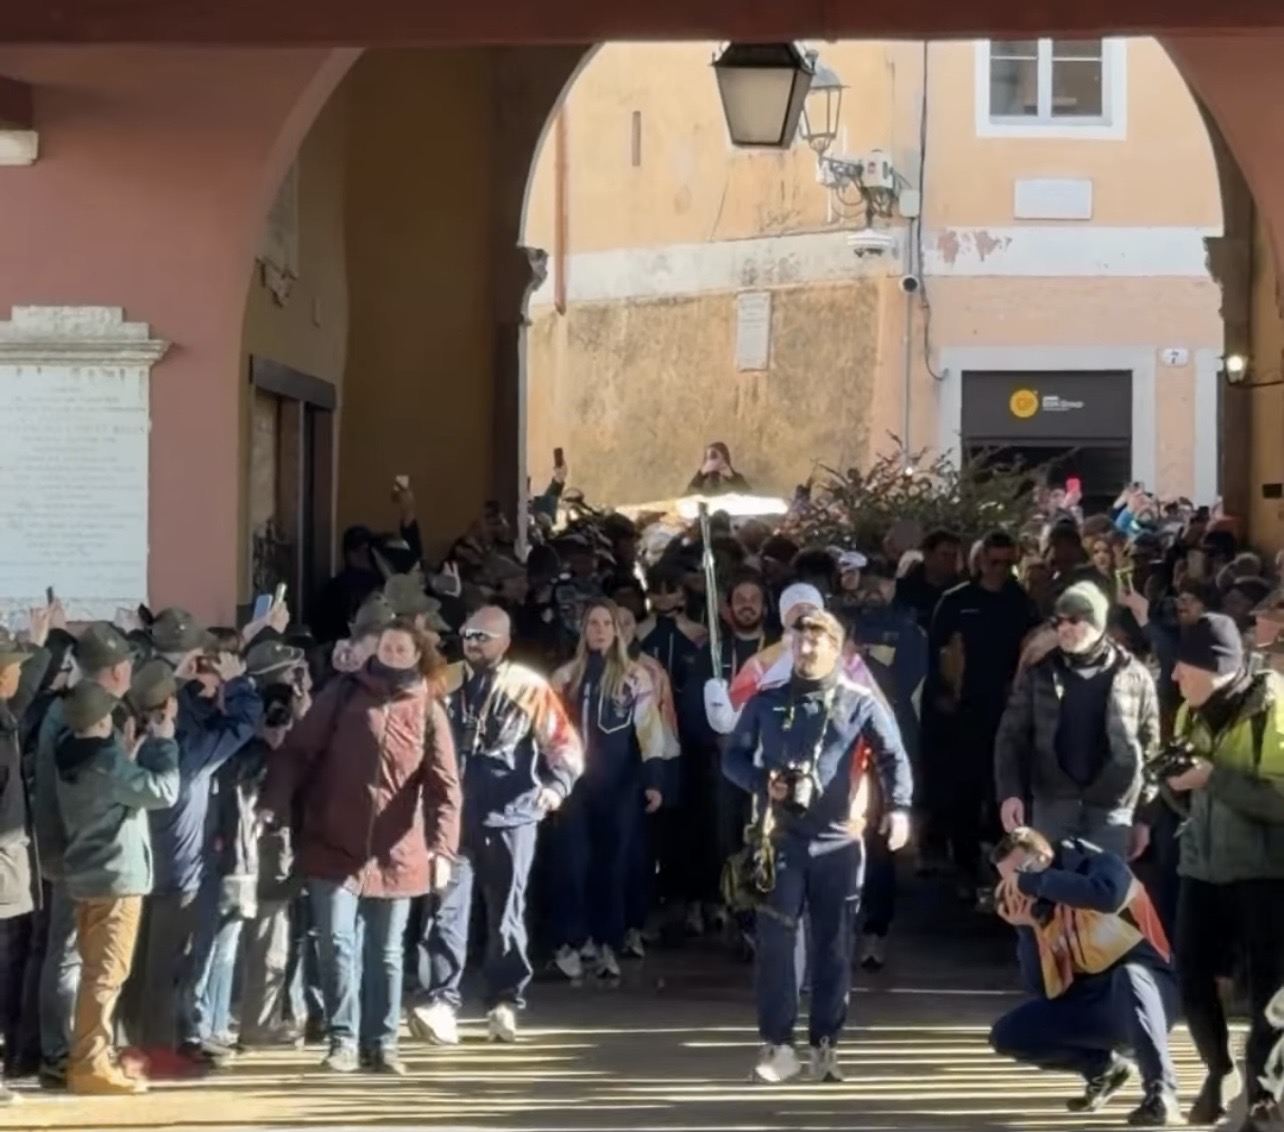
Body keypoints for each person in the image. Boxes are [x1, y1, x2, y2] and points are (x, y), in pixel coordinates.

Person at [259, 620, 461, 1075]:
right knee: (336, 944)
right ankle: (342, 1040)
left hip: (397, 852)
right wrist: (272, 803)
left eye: (402, 648)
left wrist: (443, 850)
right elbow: (297, 751)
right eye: (387, 646)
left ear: (417, 654)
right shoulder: (343, 694)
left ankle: (382, 1043)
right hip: (333, 844)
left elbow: (446, 788)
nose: (393, 654)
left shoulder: (428, 707)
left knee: (386, 954)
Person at [722, 610, 913, 1084]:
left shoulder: (859, 702)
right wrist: (763, 782)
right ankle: (776, 1044)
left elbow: (893, 757)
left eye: (816, 643)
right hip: (781, 839)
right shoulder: (767, 701)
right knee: (775, 943)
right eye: (799, 642)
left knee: (833, 946)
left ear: (837, 649)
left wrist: (899, 809)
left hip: (838, 842)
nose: (805, 651)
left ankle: (825, 1044)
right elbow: (733, 757)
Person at [411, 606, 582, 1045]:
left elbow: (563, 742)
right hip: (451, 818)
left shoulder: (528, 685)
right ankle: (441, 1002)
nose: (473, 643)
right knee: (443, 911)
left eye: (483, 636)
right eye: (468, 634)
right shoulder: (442, 680)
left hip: (512, 815)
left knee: (506, 913)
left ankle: (504, 1002)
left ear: (505, 641)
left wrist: (556, 786)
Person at [1162, 613, 1284, 1131]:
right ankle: (1220, 1071)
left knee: (1269, 996)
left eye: (1183, 667)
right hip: (1202, 865)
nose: (1173, 676)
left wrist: (1213, 777)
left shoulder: (1273, 710)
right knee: (1190, 977)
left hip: (1266, 872)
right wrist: (1174, 783)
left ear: (1216, 668)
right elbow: (1185, 800)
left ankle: (1262, 1098)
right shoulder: (1189, 710)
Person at [988, 827, 1180, 1126]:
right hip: (1096, 1005)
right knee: (1009, 1034)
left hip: (1151, 991)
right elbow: (1042, 990)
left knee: (1129, 976)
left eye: (1020, 875)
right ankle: (1103, 1067)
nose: (1018, 888)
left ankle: (1161, 1093)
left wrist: (1032, 882)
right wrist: (1026, 929)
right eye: (1009, 882)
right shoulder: (1044, 912)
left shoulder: (1101, 865)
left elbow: (1108, 895)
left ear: (1044, 857)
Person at [55, 679, 180, 1095]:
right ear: (103, 720)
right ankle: (90, 1065)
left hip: (86, 876)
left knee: (94, 970)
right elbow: (164, 791)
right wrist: (165, 744)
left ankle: (92, 1055)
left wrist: (127, 757)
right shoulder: (108, 762)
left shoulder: (68, 755)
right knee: (107, 974)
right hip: (118, 880)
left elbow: (108, 793)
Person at [994, 582, 1160, 861]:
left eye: (1074, 620)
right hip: (1054, 803)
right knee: (1052, 885)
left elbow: (1151, 747)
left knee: (1102, 887)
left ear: (1098, 623)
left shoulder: (1134, 675)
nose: (1064, 628)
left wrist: (1145, 817)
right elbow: (1010, 736)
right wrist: (1010, 793)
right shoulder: (1041, 673)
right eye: (1058, 621)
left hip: (1112, 808)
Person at [548, 601, 669, 980]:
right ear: (583, 630)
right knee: (573, 862)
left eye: (606, 623)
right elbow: (548, 730)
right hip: (574, 786)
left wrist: (654, 780)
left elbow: (649, 730)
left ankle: (607, 941)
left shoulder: (636, 677)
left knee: (613, 864)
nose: (599, 630)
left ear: (618, 631)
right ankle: (571, 939)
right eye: (592, 623)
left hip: (619, 785)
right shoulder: (565, 677)